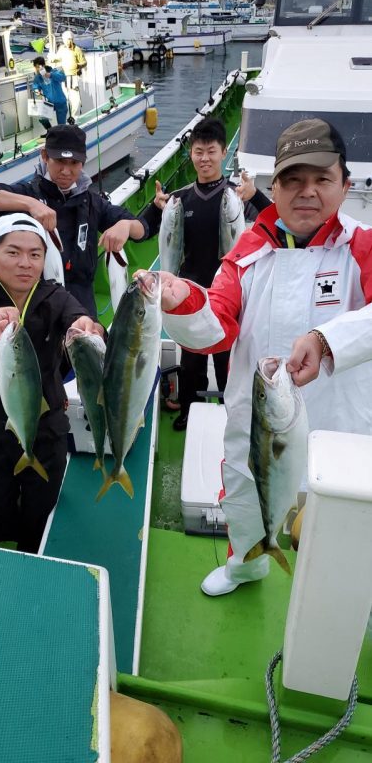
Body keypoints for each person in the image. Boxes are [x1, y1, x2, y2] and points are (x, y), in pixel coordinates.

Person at [146, 117, 372, 595]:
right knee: (245, 499)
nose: (306, 192)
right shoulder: (247, 250)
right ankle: (246, 564)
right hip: (255, 416)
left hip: (341, 421)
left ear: (345, 185)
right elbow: (217, 325)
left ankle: (344, 599)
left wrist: (328, 340)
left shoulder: (363, 246)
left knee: (339, 522)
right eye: (293, 180)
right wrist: (182, 297)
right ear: (275, 185)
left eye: (322, 180)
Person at [0, 213, 104, 553]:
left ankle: (33, 550)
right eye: (13, 253)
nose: (25, 263)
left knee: (41, 511)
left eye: (35, 254)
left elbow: (81, 317)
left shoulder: (54, 296)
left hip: (47, 426)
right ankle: (1, 552)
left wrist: (87, 328)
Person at [142, 117, 259, 431]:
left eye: (211, 151)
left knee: (226, 358)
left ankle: (228, 413)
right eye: (198, 152)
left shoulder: (237, 197)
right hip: (190, 291)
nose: (204, 158)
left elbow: (272, 221)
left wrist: (257, 195)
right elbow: (143, 232)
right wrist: (155, 208)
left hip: (229, 293)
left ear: (224, 152)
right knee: (192, 358)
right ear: (190, 155)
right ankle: (190, 410)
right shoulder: (179, 198)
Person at [0, 123, 147, 317]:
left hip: (82, 312)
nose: (66, 171)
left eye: (74, 163)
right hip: (36, 313)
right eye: (59, 161)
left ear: (83, 163)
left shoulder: (93, 203)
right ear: (45, 157)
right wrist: (30, 205)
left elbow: (142, 229)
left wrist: (126, 225)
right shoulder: (26, 194)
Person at [52, 30, 87, 119]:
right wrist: (53, 59)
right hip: (63, 78)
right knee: (65, 99)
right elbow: (57, 58)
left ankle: (74, 117)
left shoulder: (77, 50)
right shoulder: (61, 49)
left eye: (70, 39)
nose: (69, 41)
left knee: (76, 100)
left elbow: (84, 63)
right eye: (67, 39)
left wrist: (77, 65)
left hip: (74, 77)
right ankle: (66, 118)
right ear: (64, 40)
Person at [32, 56, 68, 132]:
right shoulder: (38, 77)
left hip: (60, 102)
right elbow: (35, 86)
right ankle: (50, 132)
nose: (37, 69)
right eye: (36, 67)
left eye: (39, 67)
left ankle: (61, 135)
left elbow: (63, 77)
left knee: (61, 126)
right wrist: (36, 90)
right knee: (42, 117)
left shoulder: (54, 71)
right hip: (49, 102)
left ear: (43, 65)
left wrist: (51, 75)